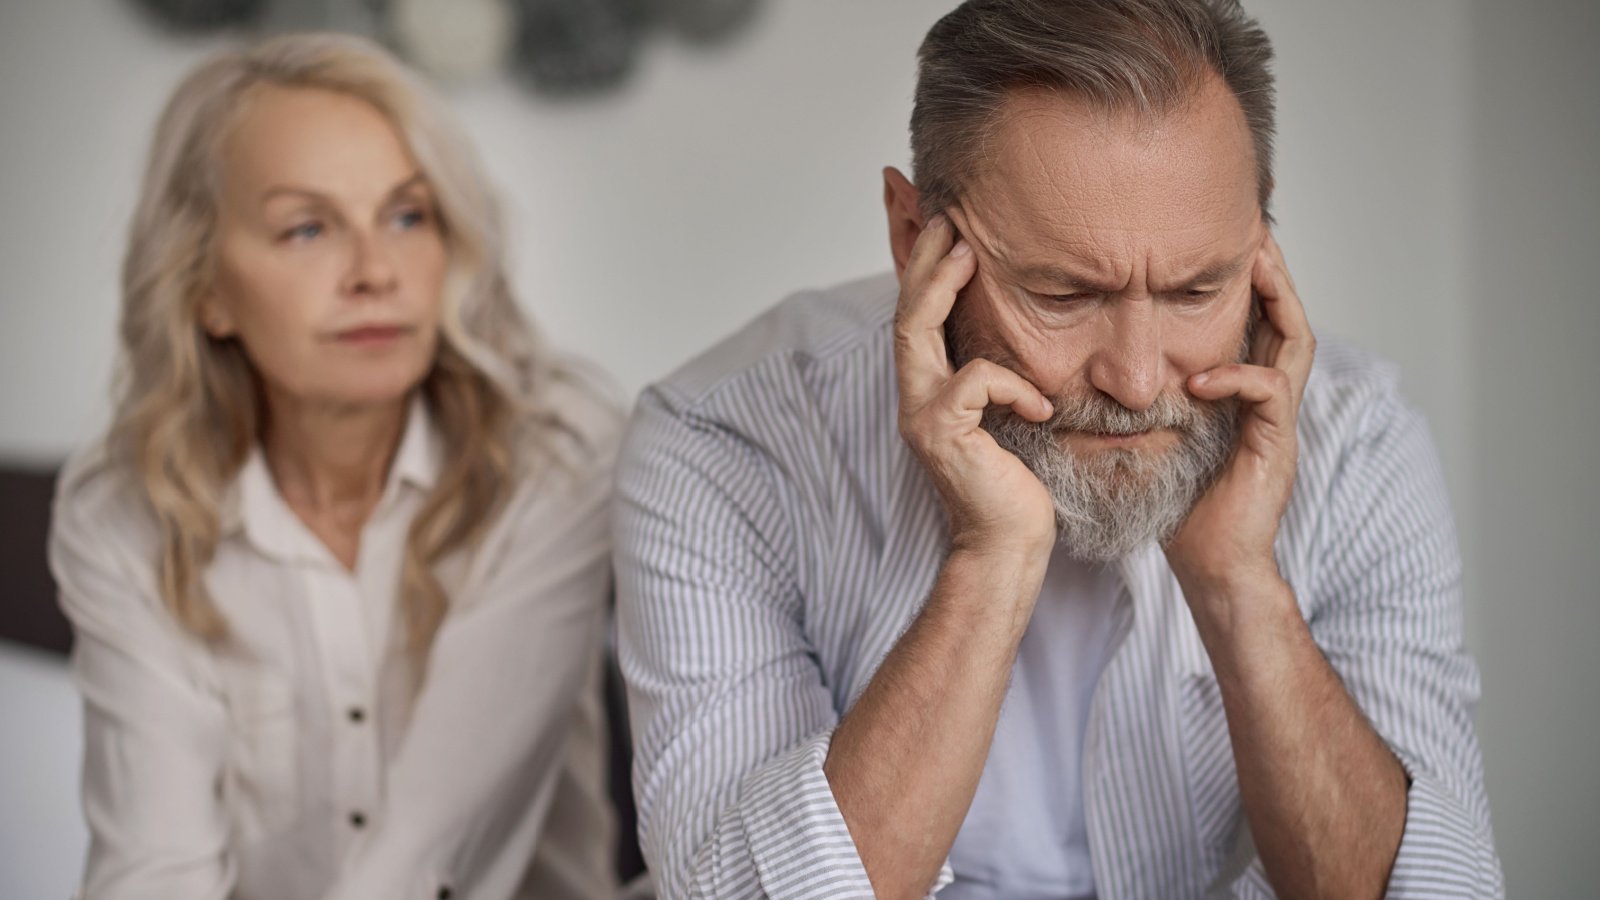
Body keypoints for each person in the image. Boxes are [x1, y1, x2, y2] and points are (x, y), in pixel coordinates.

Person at [613, 1, 1502, 897]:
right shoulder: (724, 442)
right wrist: (989, 559)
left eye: (1198, 288)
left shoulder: (1356, 442)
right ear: (913, 238)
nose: (1139, 378)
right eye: (1064, 294)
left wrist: (1239, 581)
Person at [50, 34, 619, 899]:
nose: (374, 272)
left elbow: (434, 853)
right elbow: (152, 868)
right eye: (307, 227)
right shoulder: (124, 513)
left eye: (407, 216)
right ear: (204, 287)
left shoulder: (559, 455)